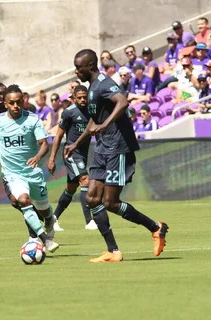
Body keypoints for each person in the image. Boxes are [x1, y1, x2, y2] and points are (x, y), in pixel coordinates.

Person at [65, 49, 168, 263]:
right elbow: (94, 121)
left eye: (79, 67)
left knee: (110, 202)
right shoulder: (92, 87)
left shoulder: (103, 83)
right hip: (103, 148)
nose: (76, 71)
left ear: (91, 65)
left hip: (117, 147)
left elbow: (122, 102)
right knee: (92, 198)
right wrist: (76, 143)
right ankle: (113, 251)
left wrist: (105, 124)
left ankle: (156, 227)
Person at [0, 84, 59, 253]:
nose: (15, 106)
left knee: (44, 209)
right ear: (6, 105)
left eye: (18, 102)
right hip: (12, 172)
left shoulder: (32, 119)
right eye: (12, 103)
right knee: (22, 200)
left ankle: (49, 220)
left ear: (23, 102)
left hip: (32, 171)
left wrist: (38, 157)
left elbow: (44, 144)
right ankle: (42, 240)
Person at [0, 82, 45, 243]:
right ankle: (37, 218)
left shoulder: (23, 112)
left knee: (23, 199)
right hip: (8, 165)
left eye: (0, 93)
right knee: (14, 201)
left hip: (26, 165)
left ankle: (34, 235)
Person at [47, 85, 98, 232]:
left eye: (84, 97)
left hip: (82, 154)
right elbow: (58, 136)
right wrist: (51, 158)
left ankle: (53, 218)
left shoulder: (91, 111)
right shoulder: (69, 113)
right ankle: (89, 221)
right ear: (74, 98)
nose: (82, 100)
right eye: (79, 97)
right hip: (71, 154)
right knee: (85, 181)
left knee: (71, 188)